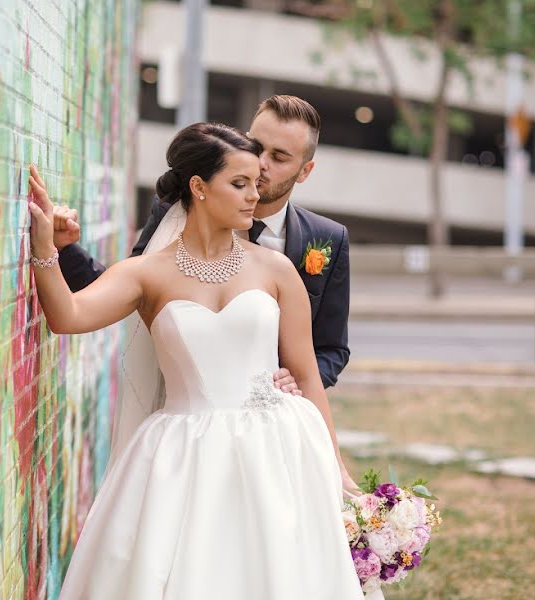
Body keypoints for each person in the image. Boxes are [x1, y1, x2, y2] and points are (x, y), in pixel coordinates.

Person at [26, 123, 363, 598]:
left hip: (279, 450)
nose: (254, 196)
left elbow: (306, 374)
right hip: (184, 456)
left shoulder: (277, 269)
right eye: (240, 184)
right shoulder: (147, 273)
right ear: (200, 188)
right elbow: (69, 316)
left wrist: (337, 470)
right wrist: (46, 248)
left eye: (257, 184)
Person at [54, 95, 350, 393]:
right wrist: (64, 250)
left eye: (279, 157)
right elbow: (128, 289)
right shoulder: (178, 211)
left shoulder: (328, 240)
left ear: (305, 171)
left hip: (274, 418)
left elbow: (332, 348)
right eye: (256, 147)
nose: (261, 164)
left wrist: (296, 378)